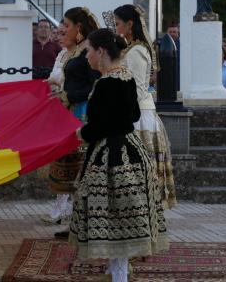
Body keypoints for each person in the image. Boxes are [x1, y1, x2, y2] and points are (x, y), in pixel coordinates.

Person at [69, 28, 169, 282]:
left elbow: (101, 126)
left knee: (112, 221)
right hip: (132, 151)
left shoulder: (105, 84)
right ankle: (116, 273)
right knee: (121, 221)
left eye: (89, 51)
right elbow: (133, 116)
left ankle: (119, 276)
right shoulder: (126, 77)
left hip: (110, 157)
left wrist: (81, 133)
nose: (87, 57)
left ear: (101, 51)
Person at [113, 4, 177, 209]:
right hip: (135, 112)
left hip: (139, 115)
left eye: (118, 24)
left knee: (139, 171)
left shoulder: (137, 51)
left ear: (130, 24)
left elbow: (138, 88)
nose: (116, 27)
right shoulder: (130, 48)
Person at [45, 7, 100, 233]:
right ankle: (76, 220)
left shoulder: (89, 50)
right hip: (74, 111)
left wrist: (67, 95)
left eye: (67, 25)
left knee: (83, 168)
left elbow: (94, 85)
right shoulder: (75, 50)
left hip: (84, 113)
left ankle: (83, 221)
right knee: (76, 168)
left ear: (79, 27)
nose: (63, 29)